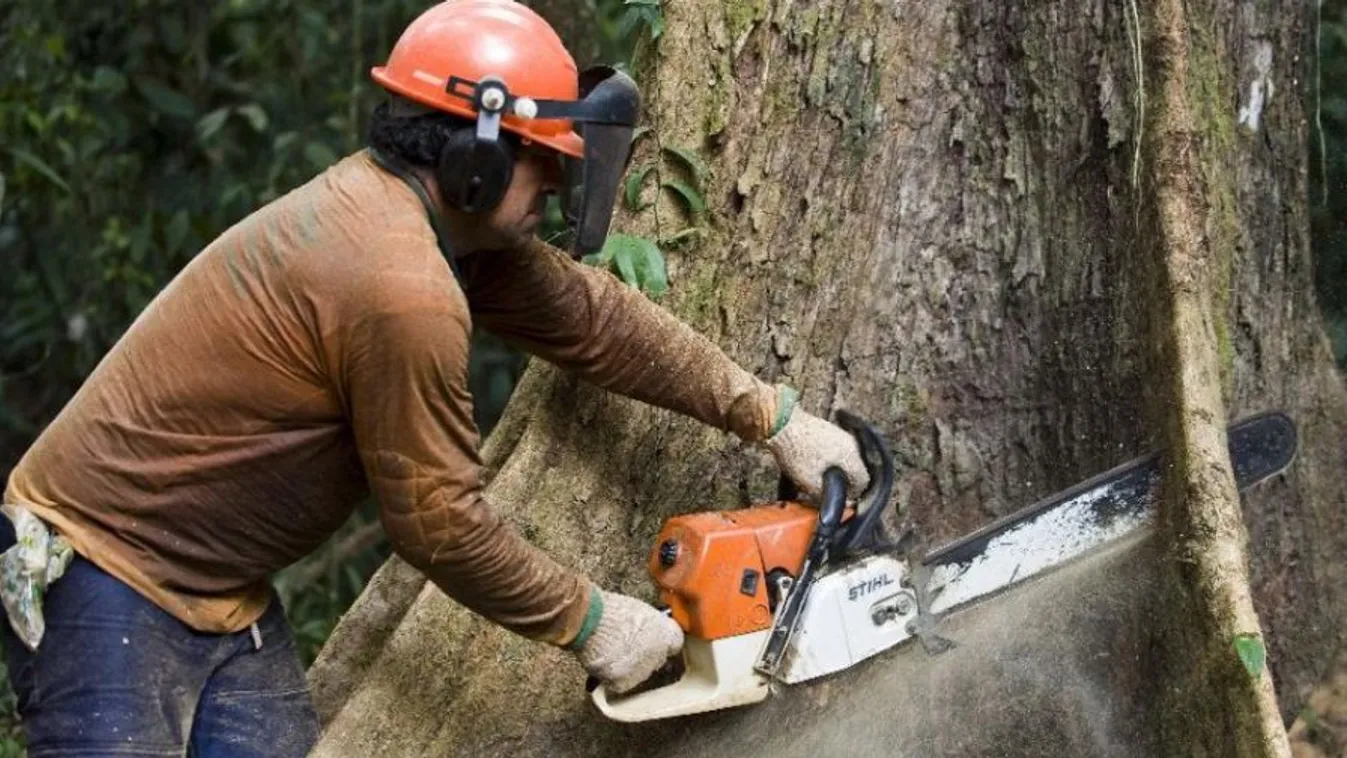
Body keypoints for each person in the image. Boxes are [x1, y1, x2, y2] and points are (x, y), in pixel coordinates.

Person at [0, 1, 869, 755]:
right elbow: (439, 524)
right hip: (102, 570)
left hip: (223, 595)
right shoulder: (398, 283)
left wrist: (773, 417)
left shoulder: (435, 230)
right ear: (473, 159)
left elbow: (593, 319)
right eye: (541, 158)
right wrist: (592, 622)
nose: (558, 179)